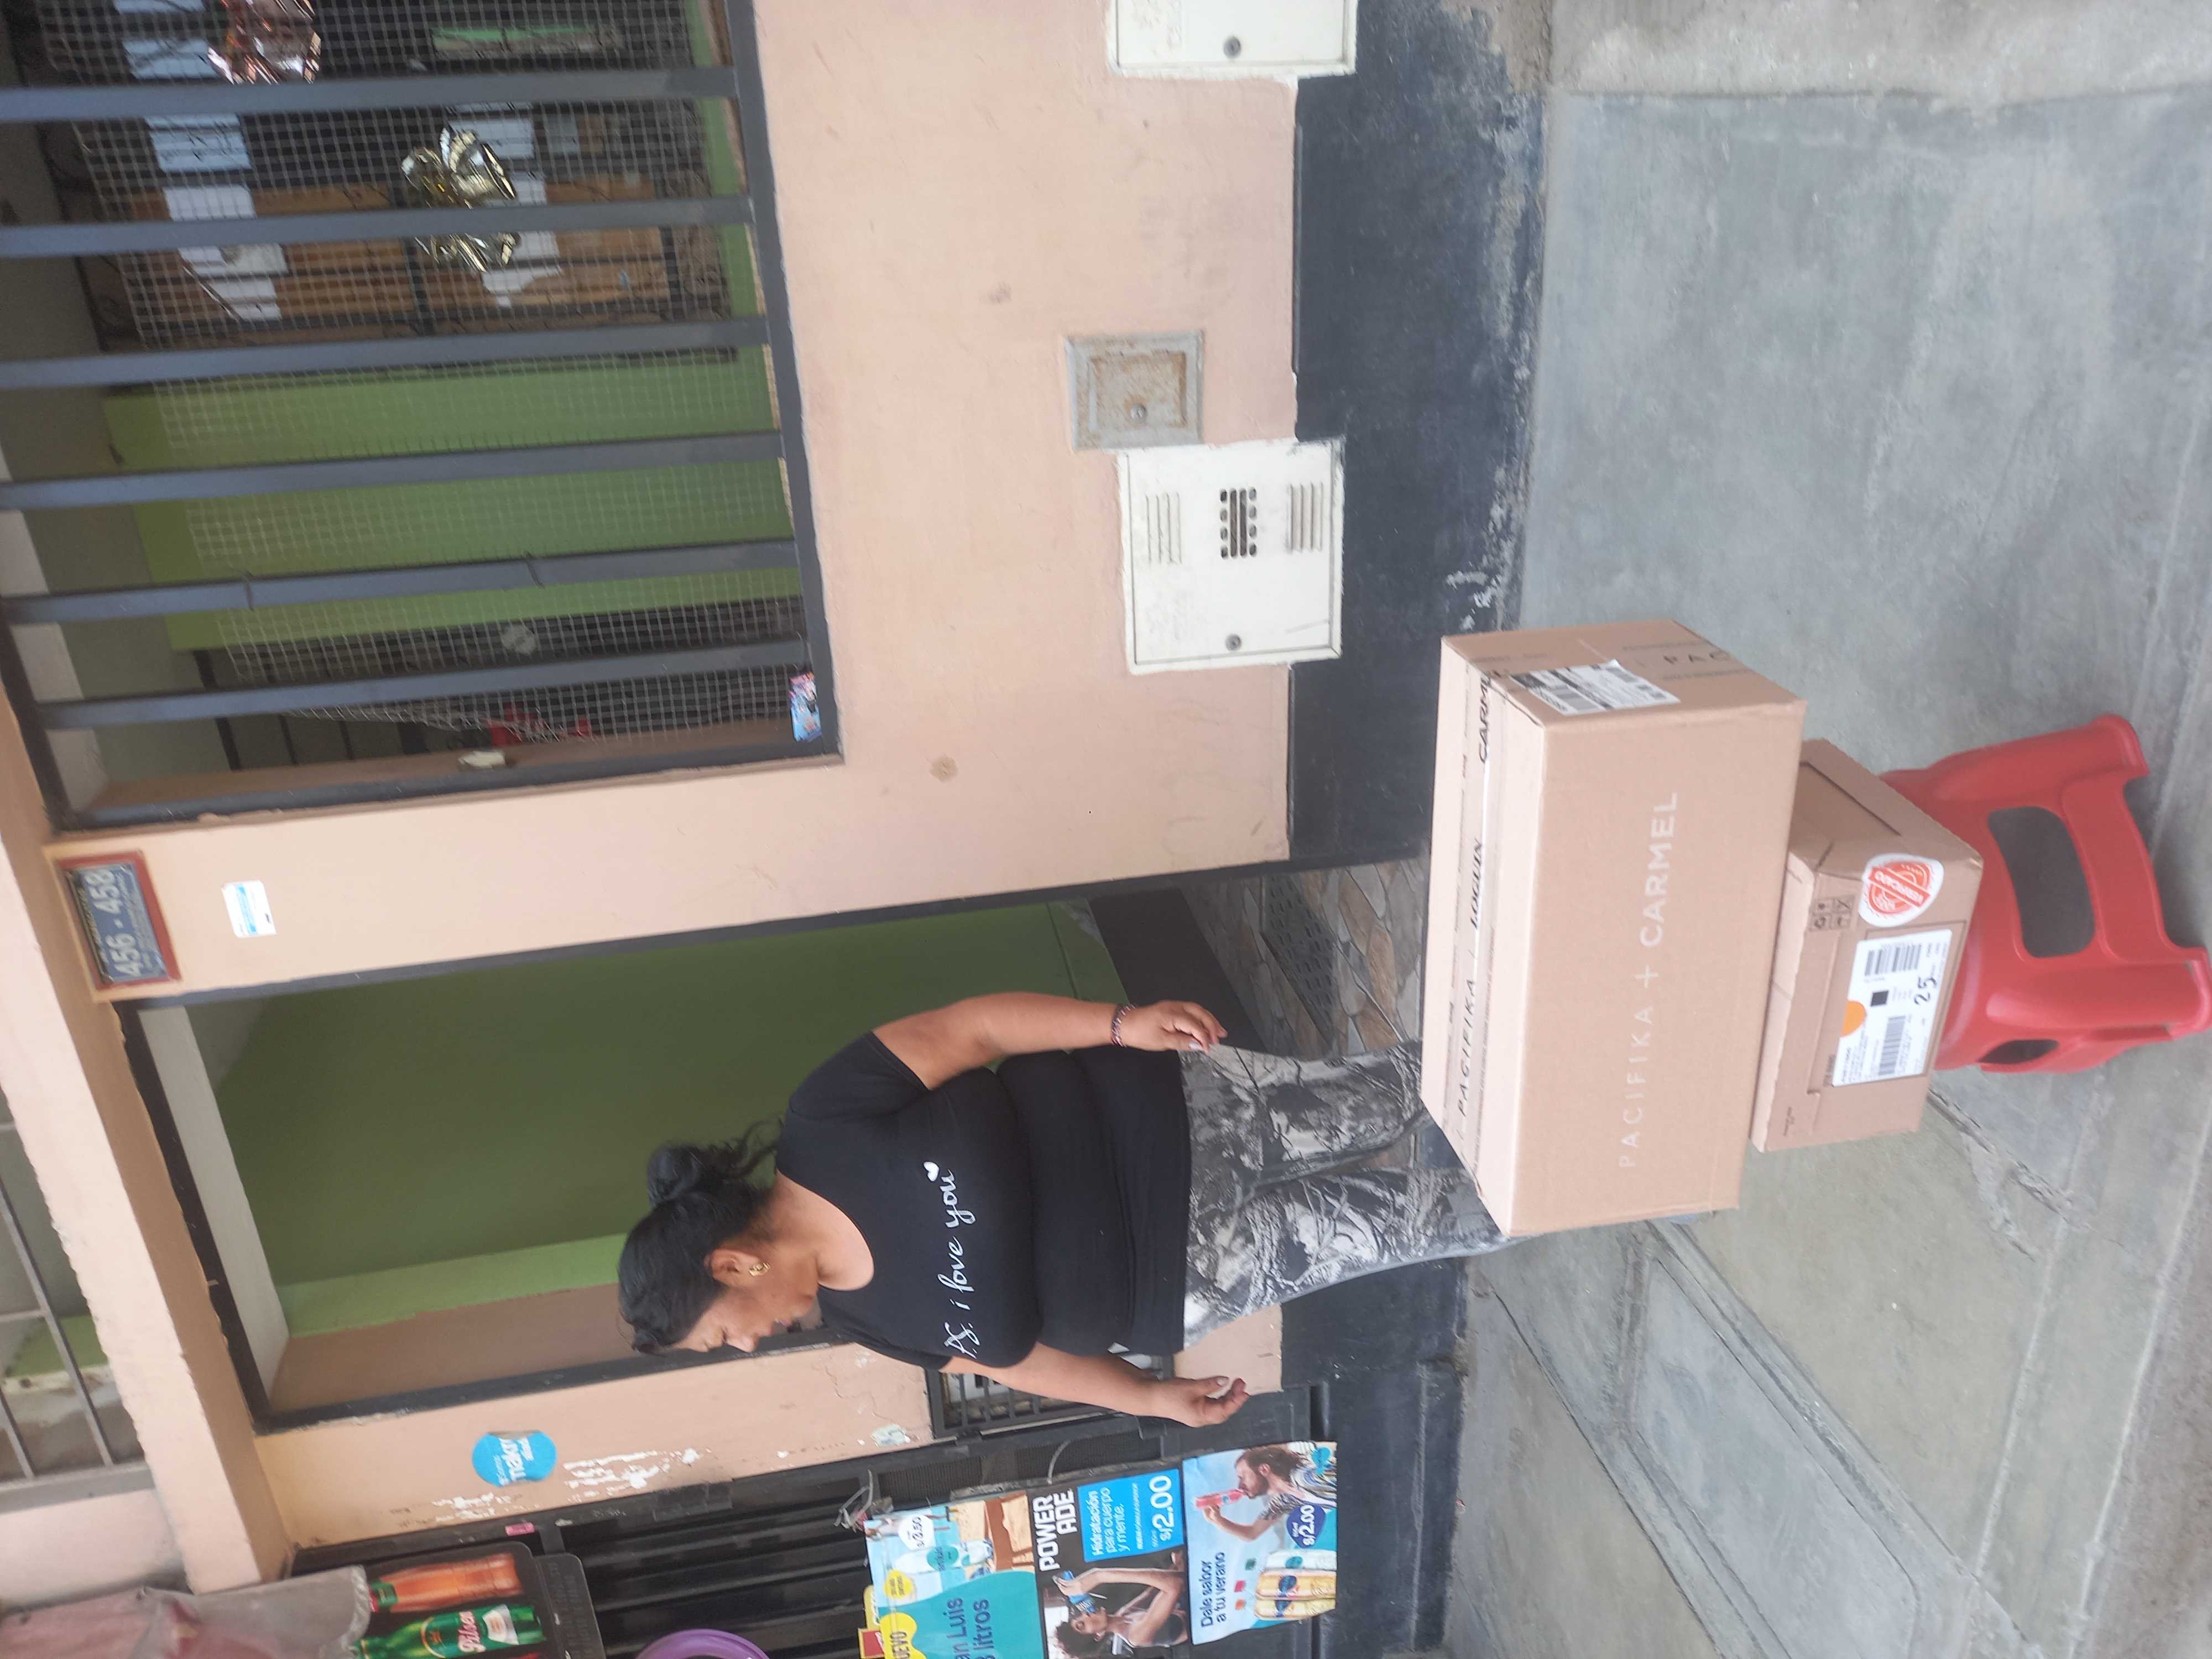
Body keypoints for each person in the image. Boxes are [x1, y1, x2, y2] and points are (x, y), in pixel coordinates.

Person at [618, 993, 1506, 1424]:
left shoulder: (825, 1123)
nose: (747, 1345)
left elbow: (974, 1030)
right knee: (1430, 1221)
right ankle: (1583, 1171)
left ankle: (1574, 1038)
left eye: (722, 1334)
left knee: (1410, 1088)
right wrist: (1149, 1398)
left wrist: (1120, 1023)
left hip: (1186, 1119)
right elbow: (1029, 1365)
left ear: (732, 1265)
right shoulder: (864, 1321)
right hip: (1203, 1274)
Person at [1193, 1444, 1337, 1543]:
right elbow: (1252, 1534)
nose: (1240, 1486)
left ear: (1264, 1469)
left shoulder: (1306, 1477)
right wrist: (1217, 1520)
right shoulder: (1284, 1500)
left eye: (1242, 1477)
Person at [1051, 1558, 1188, 1657]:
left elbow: (1153, 1590)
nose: (1085, 1615)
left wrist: (1177, 1565)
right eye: (1082, 1625)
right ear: (1098, 1636)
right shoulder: (1136, 1636)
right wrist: (1099, 1576)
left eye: (1079, 1617)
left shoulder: (1124, 1614)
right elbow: (1174, 1586)